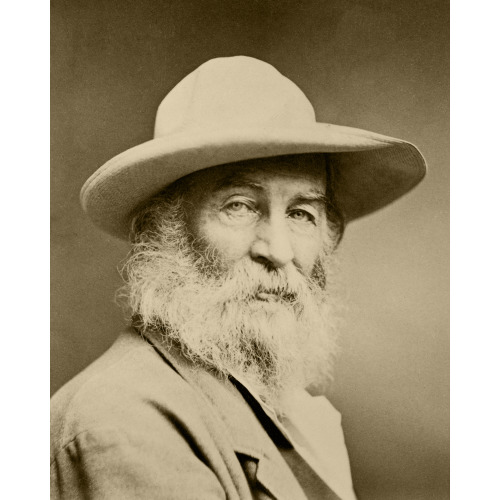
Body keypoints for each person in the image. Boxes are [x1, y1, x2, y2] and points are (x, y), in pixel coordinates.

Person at [50, 56, 426, 499]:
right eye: (240, 206)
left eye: (302, 213)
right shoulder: (124, 420)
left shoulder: (253, 401)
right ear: (164, 229)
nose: (279, 252)